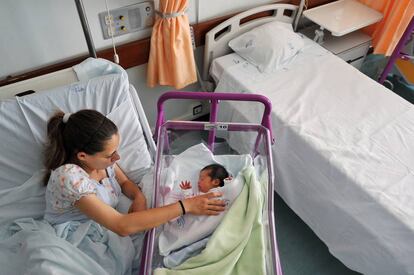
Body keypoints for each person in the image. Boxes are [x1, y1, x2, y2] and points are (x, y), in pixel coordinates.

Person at [43, 109, 225, 237]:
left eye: (116, 150)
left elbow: (124, 183)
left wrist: (139, 197)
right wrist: (186, 205)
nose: (117, 157)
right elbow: (121, 226)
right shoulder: (69, 176)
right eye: (110, 154)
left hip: (107, 226)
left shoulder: (102, 162)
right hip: (75, 236)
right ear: (83, 155)